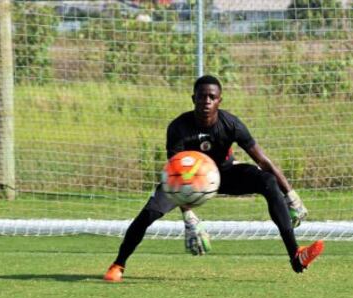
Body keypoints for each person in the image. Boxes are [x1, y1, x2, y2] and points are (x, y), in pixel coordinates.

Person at [104, 75, 324, 282]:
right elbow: (175, 171)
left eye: (212, 97)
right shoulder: (178, 128)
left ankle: (296, 255)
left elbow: (263, 161)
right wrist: (189, 217)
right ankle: (118, 264)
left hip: (224, 175)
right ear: (193, 98)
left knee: (267, 181)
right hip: (183, 182)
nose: (206, 101)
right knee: (148, 213)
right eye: (202, 96)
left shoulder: (231, 124)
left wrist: (290, 194)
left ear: (220, 100)